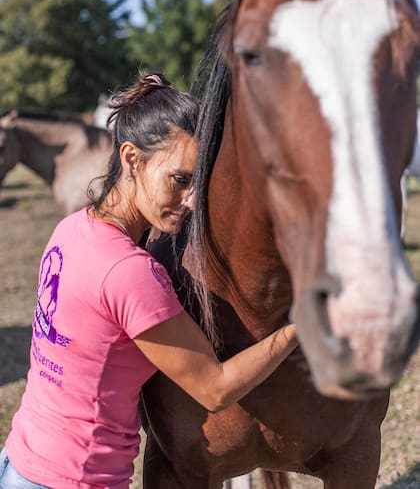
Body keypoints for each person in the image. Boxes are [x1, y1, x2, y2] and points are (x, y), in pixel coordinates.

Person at [0, 72, 298, 489]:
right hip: (75, 478)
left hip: (20, 461)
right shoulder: (131, 272)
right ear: (131, 158)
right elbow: (215, 389)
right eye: (179, 179)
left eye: (199, 182)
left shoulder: (71, 228)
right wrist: (298, 328)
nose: (193, 200)